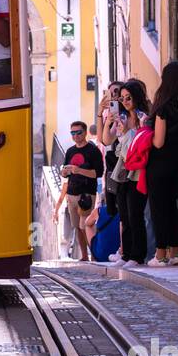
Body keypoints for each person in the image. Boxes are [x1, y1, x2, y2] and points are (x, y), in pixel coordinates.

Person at [145, 61, 178, 266]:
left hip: (159, 163)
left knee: (159, 207)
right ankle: (175, 252)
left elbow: (158, 141)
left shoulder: (163, 106)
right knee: (172, 206)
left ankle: (160, 254)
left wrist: (144, 136)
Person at [113, 80, 151, 265]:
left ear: (136, 97)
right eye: (123, 98)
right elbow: (113, 143)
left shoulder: (144, 117)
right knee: (125, 214)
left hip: (138, 171)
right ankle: (126, 254)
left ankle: (138, 255)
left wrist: (129, 131)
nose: (126, 101)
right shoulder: (122, 118)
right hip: (123, 170)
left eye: (129, 97)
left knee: (135, 213)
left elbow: (142, 142)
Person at [59, 119, 104, 262]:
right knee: (77, 227)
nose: (75, 135)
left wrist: (79, 170)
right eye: (73, 133)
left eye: (78, 132)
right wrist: (64, 172)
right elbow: (65, 169)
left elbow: (98, 172)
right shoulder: (70, 151)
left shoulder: (93, 151)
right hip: (72, 193)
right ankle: (85, 255)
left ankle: (94, 254)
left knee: (85, 225)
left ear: (85, 133)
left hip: (87, 194)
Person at [98, 82, 124, 218]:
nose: (114, 95)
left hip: (129, 166)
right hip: (115, 166)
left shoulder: (131, 114)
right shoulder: (114, 115)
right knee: (117, 211)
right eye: (111, 93)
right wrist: (101, 114)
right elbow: (104, 140)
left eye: (117, 91)